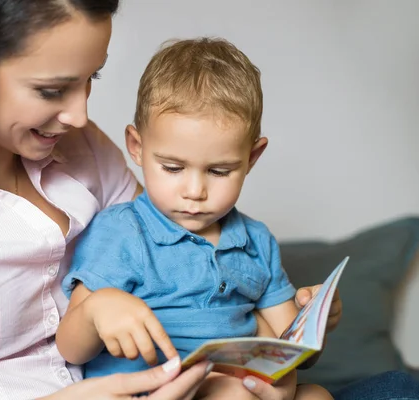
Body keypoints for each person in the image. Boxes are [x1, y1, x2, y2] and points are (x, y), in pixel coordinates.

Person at [0, 1, 350, 399]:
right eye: (52, 90)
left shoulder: (80, 147)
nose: (78, 114)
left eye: (90, 79)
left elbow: (181, 267)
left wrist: (273, 350)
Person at [57, 37, 332, 400]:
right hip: (158, 391)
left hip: (241, 384)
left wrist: (314, 320)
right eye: (172, 167)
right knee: (232, 393)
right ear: (137, 148)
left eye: (218, 171)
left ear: (252, 157)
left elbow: (293, 350)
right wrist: (96, 309)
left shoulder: (256, 240)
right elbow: (71, 350)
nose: (195, 191)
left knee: (317, 395)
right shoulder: (123, 232)